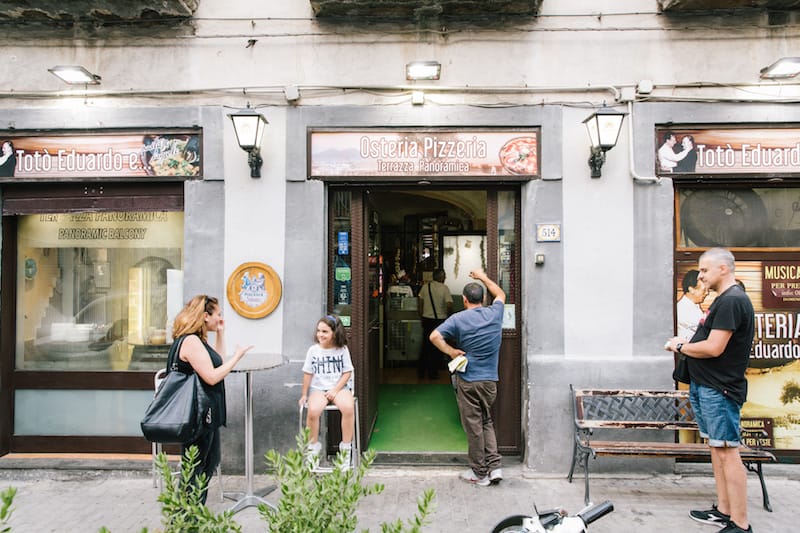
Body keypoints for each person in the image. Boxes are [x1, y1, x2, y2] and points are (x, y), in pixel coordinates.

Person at [665, 248, 755, 533]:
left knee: (728, 452)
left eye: (704, 270)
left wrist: (679, 346)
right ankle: (724, 510)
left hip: (720, 390)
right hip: (708, 387)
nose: (700, 276)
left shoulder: (732, 301)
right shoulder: (723, 301)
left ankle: (740, 523)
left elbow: (714, 347)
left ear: (723, 269)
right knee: (718, 449)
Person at [172, 295, 253, 504]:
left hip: (206, 413)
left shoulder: (198, 340)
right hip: (197, 415)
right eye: (218, 314)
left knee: (208, 463)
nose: (220, 318)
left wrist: (221, 333)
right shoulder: (190, 341)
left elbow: (216, 362)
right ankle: (186, 519)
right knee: (196, 467)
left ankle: (192, 516)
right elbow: (213, 376)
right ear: (205, 316)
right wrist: (237, 357)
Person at [429, 268, 505, 487]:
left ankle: (480, 473)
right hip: (490, 381)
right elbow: (500, 294)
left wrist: (451, 351)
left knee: (474, 426)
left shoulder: (458, 319)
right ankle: (495, 466)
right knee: (486, 420)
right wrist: (482, 276)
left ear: (464, 300)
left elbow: (434, 336)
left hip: (469, 380)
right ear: (482, 298)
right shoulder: (494, 313)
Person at [299, 314, 356, 469]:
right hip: (318, 388)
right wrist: (304, 394)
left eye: (325, 332)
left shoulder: (342, 350)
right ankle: (313, 449)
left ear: (334, 333)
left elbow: (347, 372)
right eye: (319, 331)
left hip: (339, 387)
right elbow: (308, 373)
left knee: (348, 408)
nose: (320, 335)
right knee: (313, 411)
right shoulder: (313, 351)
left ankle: (345, 449)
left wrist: (335, 389)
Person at [417, 269, 453, 379]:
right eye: (445, 276)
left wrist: (421, 316)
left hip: (427, 319)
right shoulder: (444, 288)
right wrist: (448, 316)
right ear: (441, 277)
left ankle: (421, 371)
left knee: (425, 346)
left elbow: (420, 303)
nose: (445, 278)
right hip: (440, 320)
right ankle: (433, 372)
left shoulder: (425, 287)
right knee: (437, 347)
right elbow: (449, 305)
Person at [676, 269, 708, 340]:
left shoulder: (694, 306)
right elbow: (708, 331)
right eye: (704, 290)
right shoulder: (683, 309)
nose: (707, 293)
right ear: (691, 290)